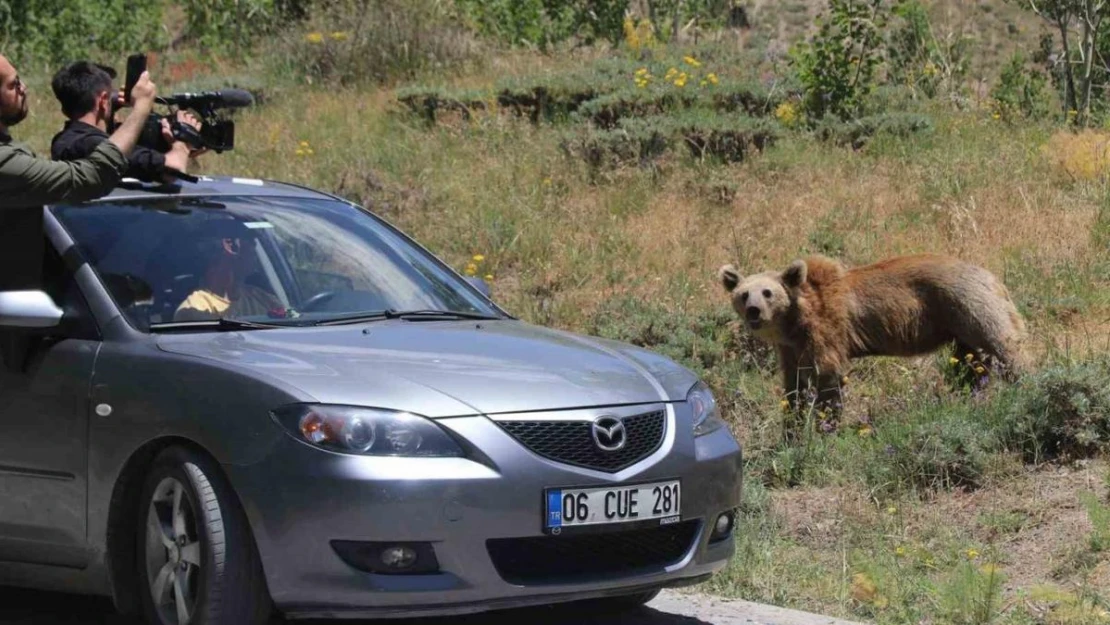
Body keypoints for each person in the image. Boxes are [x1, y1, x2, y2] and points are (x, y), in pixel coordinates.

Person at [0, 53, 156, 292]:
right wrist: (141, 110)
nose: (24, 88)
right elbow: (90, 177)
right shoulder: (5, 163)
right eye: (13, 85)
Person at [49, 60, 198, 184]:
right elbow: (173, 168)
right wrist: (182, 144)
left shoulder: (65, 141)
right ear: (102, 101)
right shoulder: (96, 146)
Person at [174, 227, 284, 322]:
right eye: (249, 241)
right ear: (229, 247)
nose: (254, 249)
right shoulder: (196, 309)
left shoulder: (263, 298)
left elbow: (291, 319)